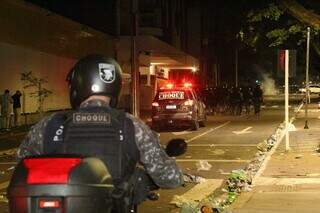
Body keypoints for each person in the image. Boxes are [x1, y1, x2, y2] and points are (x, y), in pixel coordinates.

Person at [17, 55, 184, 199]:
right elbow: (170, 178)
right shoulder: (132, 125)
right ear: (115, 87)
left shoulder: (50, 124)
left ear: (77, 85)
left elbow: (22, 164)